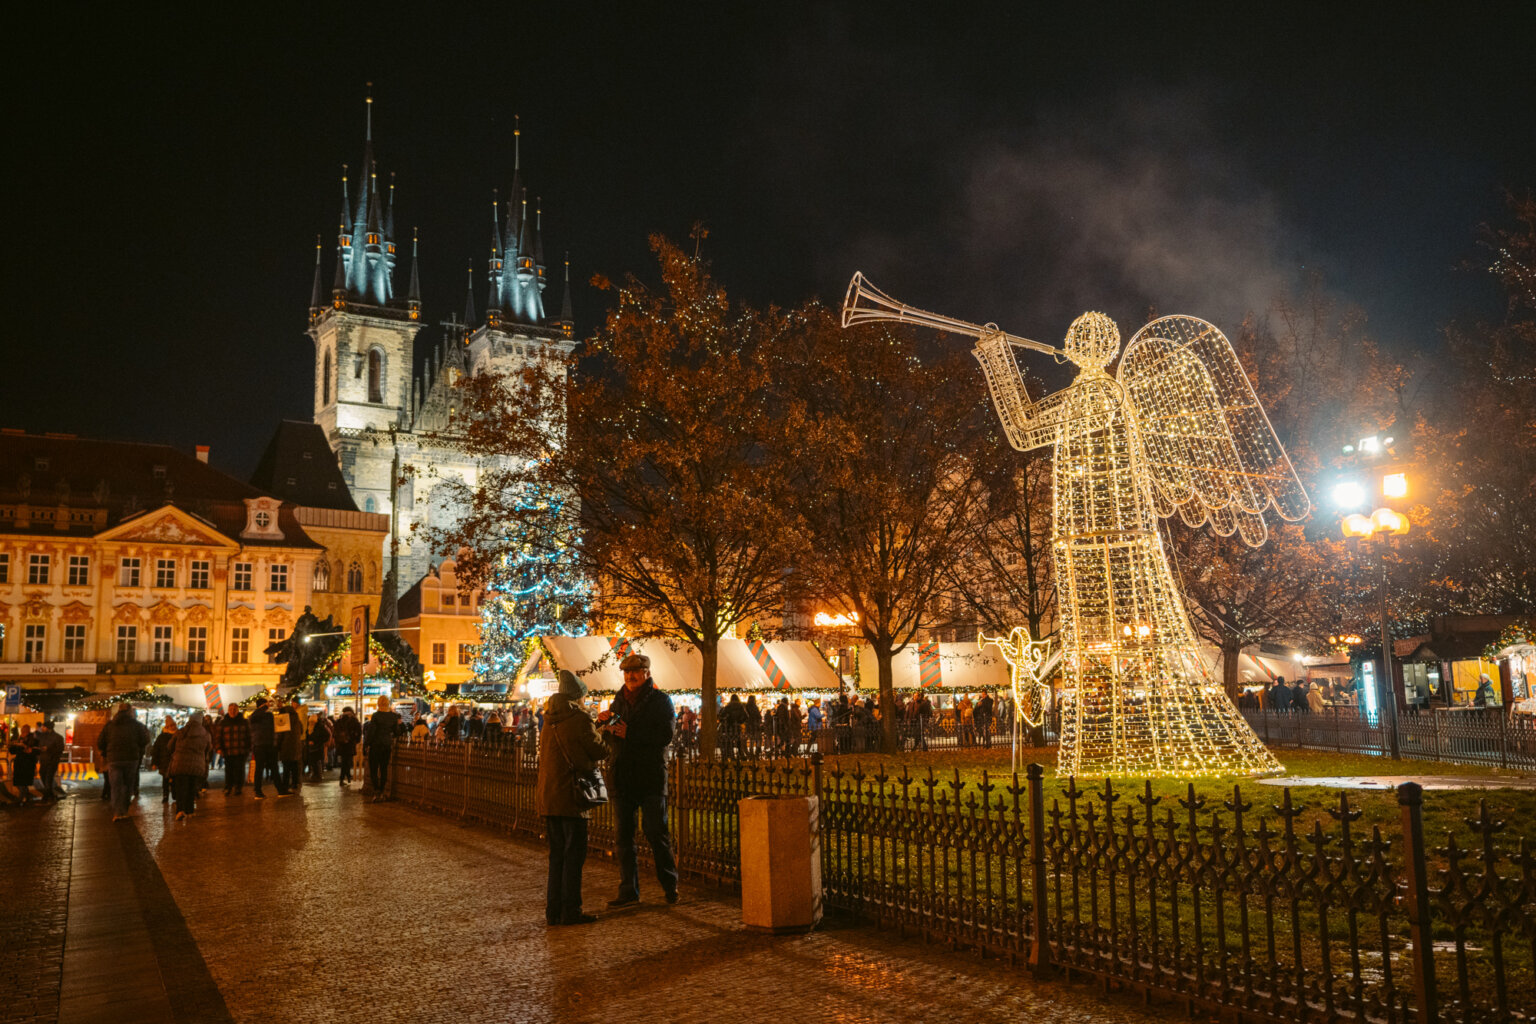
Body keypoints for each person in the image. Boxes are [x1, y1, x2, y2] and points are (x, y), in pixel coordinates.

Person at [599, 653, 679, 907]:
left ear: (646, 672)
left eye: (635, 671)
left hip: (650, 776)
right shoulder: (619, 701)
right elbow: (612, 738)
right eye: (626, 672)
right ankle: (628, 890)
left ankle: (670, 885)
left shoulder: (660, 701)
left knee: (656, 833)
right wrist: (606, 725)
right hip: (623, 776)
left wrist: (628, 732)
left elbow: (665, 734)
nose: (630, 676)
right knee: (624, 837)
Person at [537, 669, 610, 926]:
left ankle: (553, 911)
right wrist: (606, 732)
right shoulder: (579, 718)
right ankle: (571, 910)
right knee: (574, 856)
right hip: (573, 797)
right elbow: (598, 750)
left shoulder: (549, 718)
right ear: (577, 696)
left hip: (550, 797)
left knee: (557, 856)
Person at [97, 704, 151, 820]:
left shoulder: (110, 725)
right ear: (130, 711)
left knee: (115, 786)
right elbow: (145, 740)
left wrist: (107, 751)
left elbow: (100, 742)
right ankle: (124, 810)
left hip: (114, 759)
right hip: (131, 758)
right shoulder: (137, 725)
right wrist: (137, 748)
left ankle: (117, 812)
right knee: (127, 785)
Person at [168, 711, 213, 820]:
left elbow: (170, 746)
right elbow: (209, 749)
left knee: (181, 788)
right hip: (197, 765)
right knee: (191, 788)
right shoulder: (205, 734)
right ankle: (190, 810)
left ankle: (180, 810)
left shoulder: (181, 731)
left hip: (179, 764)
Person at [363, 696, 401, 802]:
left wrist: (366, 744)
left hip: (376, 745)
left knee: (374, 769)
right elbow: (397, 732)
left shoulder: (376, 716)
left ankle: (376, 791)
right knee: (384, 769)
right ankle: (382, 790)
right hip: (386, 745)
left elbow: (371, 732)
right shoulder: (393, 716)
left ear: (378, 703)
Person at [214, 703, 252, 795]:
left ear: (238, 710)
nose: (233, 711)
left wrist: (248, 748)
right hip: (228, 750)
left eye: (235, 709)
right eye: (231, 709)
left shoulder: (244, 721)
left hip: (241, 750)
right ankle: (228, 786)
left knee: (240, 770)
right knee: (229, 770)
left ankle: (238, 787)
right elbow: (218, 737)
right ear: (228, 710)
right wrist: (219, 748)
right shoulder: (223, 722)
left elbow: (249, 736)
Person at [248, 697, 279, 799]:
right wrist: (263, 706)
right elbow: (254, 716)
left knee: (274, 767)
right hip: (260, 745)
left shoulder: (268, 715)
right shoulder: (256, 715)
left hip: (268, 744)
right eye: (266, 704)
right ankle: (258, 791)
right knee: (260, 768)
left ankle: (280, 789)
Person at [277, 697, 305, 796]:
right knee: (294, 767)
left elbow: (280, 735)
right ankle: (294, 785)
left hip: (286, 747)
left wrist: (277, 745)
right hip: (296, 747)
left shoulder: (283, 720)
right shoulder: (296, 718)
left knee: (286, 768)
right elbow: (301, 731)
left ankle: (285, 786)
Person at [32, 719, 65, 801]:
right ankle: (50, 794)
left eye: (44, 727)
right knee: (43, 775)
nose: (42, 728)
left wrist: (48, 749)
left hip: (52, 761)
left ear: (48, 728)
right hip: (44, 760)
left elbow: (59, 749)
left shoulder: (58, 737)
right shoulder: (42, 736)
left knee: (48, 778)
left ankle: (47, 795)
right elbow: (38, 744)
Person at [150, 718, 178, 805]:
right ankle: (165, 795)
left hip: (176, 761)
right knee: (165, 780)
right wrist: (154, 762)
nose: (172, 727)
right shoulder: (161, 737)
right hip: (164, 761)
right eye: (170, 725)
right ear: (167, 726)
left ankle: (175, 794)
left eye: (173, 725)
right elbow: (156, 750)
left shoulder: (179, 734)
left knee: (175, 779)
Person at [332, 706, 362, 786]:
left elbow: (334, 734)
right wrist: (356, 741)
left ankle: (346, 777)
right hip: (350, 744)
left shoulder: (339, 721)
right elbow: (359, 732)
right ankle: (344, 778)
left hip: (341, 745)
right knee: (347, 761)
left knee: (345, 761)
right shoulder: (354, 721)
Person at [8, 725, 38, 805]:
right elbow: (13, 751)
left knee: (23, 782)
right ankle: (26, 796)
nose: (23, 732)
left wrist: (24, 746)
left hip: (28, 764)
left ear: (28, 731)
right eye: (22, 730)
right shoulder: (18, 738)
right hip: (19, 763)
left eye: (24, 730)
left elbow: (33, 750)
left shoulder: (32, 739)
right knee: (18, 782)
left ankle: (21, 798)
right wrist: (13, 745)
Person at [305, 710, 332, 782]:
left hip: (318, 747)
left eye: (312, 721)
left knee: (317, 761)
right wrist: (308, 741)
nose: (311, 723)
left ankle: (318, 775)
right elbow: (307, 736)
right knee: (313, 762)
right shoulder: (309, 728)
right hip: (311, 748)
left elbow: (326, 735)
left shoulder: (320, 727)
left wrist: (317, 742)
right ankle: (315, 775)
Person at [719, 694, 747, 760]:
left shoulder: (728, 706)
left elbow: (722, 716)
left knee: (730, 740)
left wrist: (727, 720)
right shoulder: (740, 706)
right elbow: (746, 716)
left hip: (729, 726)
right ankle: (741, 754)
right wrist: (740, 721)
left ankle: (731, 755)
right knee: (738, 740)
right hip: (737, 725)